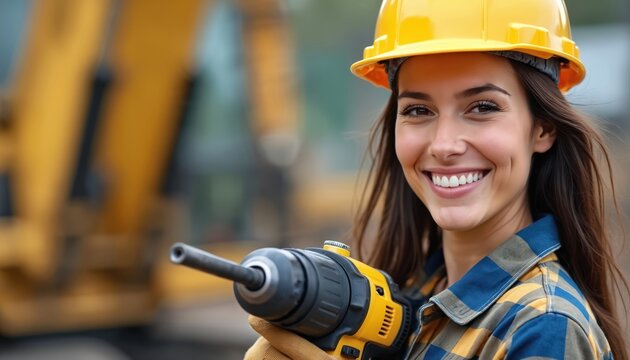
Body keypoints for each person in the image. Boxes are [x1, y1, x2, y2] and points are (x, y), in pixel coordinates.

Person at [245, 0, 628, 359]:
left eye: (482, 107)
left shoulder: (542, 325)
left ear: (542, 128)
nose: (444, 145)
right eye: (418, 110)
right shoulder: (415, 294)